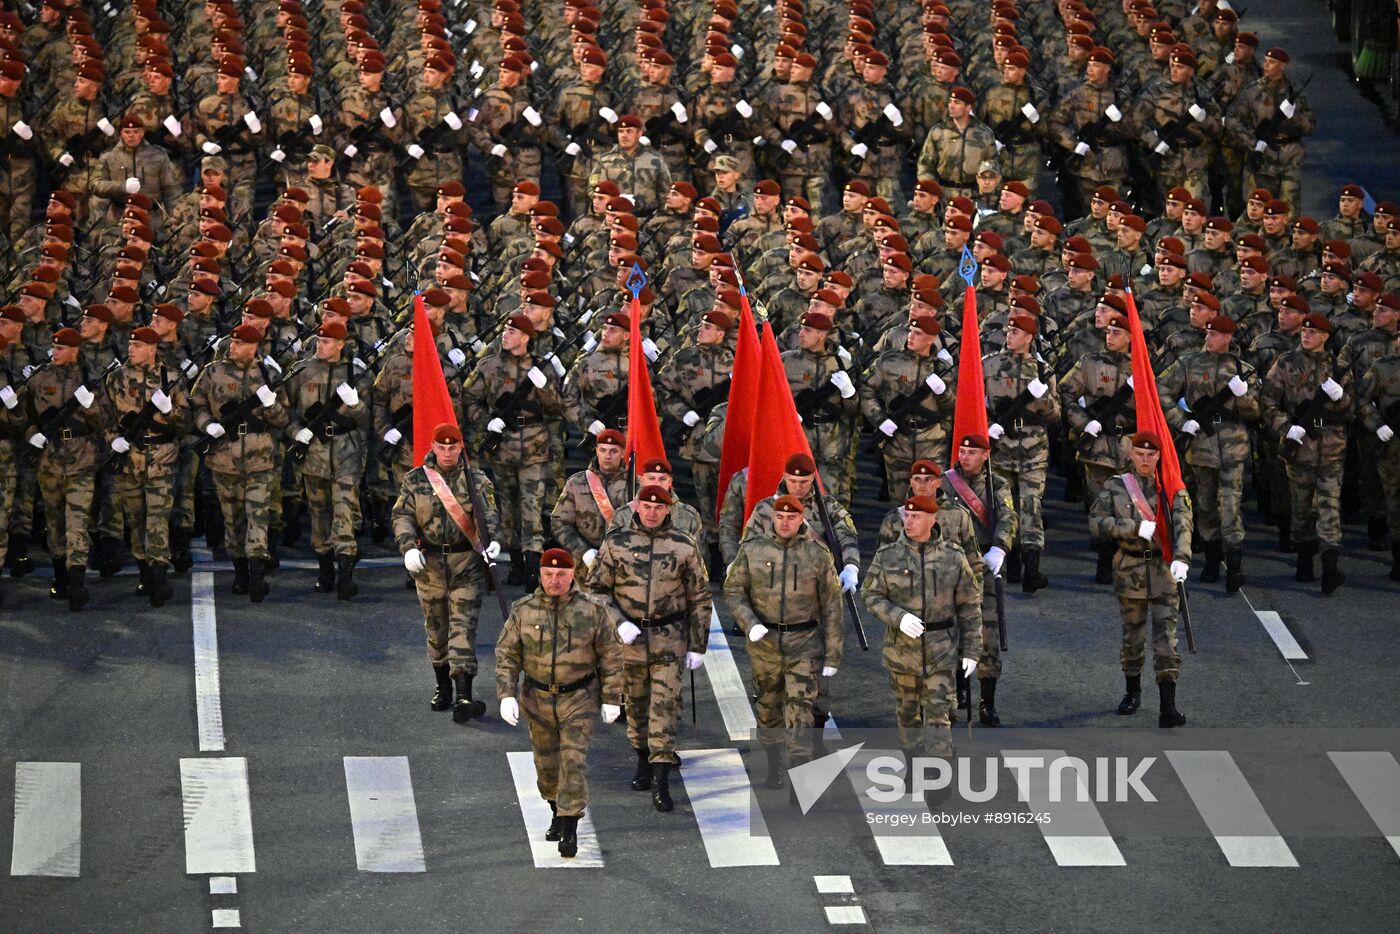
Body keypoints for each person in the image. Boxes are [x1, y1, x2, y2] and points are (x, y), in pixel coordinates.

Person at [588, 484, 710, 812]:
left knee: (664, 706)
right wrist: (618, 622)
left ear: (668, 509)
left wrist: (698, 644)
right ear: (637, 506)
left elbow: (699, 596)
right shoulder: (616, 543)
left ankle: (661, 777)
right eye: (646, 505)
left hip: (669, 637)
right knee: (637, 705)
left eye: (659, 507)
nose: (652, 511)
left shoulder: (684, 545)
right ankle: (642, 758)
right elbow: (596, 590)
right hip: (629, 641)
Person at [496, 547, 624, 859]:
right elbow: (507, 655)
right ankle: (556, 808)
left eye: (562, 575)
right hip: (537, 700)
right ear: (540, 575)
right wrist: (506, 695)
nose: (555, 581)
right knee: (546, 767)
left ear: (573, 575)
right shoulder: (523, 610)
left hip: (578, 699)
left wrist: (612, 698)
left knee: (573, 762)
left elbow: (611, 655)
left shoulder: (592, 610)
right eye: (549, 574)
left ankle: (569, 826)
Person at [862, 494, 981, 791]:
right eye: (907, 516)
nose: (909, 521)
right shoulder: (888, 555)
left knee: (938, 716)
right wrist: (897, 616)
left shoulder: (953, 556)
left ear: (932, 519)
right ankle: (913, 762)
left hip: (941, 649)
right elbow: (871, 595)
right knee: (907, 713)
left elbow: (969, 604)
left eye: (916, 517)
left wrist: (972, 650)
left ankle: (938, 777)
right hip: (902, 651)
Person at [724, 495, 842, 793]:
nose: (785, 522)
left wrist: (832, 654)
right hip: (766, 644)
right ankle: (774, 763)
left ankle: (797, 774)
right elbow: (734, 590)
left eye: (791, 517)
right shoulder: (753, 549)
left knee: (800, 709)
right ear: (772, 518)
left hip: (805, 643)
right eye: (780, 516)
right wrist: (749, 624)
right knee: (768, 708)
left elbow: (831, 606)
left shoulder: (817, 553)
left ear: (802, 517)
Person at [395, 423, 503, 722]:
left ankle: (464, 693)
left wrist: (492, 540)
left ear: (460, 448)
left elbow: (489, 514)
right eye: (441, 448)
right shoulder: (416, 480)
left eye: (452, 448)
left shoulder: (476, 480)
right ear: (432, 446)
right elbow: (402, 515)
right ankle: (443, 685)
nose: (446, 453)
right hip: (429, 564)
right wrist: (408, 548)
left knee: (463, 628)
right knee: (436, 629)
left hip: (464, 563)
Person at [1088, 431, 1194, 728]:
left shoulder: (1170, 486)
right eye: (1140, 454)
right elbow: (1096, 523)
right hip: (1130, 569)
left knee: (1166, 641)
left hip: (1163, 571)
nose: (1146, 460)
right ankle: (1132, 692)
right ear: (1131, 454)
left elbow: (1184, 524)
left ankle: (1168, 706)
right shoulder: (1116, 486)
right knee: (1132, 638)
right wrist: (1133, 527)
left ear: (1160, 455)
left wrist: (1182, 559)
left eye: (1151, 455)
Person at [190, 324, 291, 603]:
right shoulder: (213, 372)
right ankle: (240, 573)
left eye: (238, 343)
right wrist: (207, 425)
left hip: (260, 458)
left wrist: (271, 405)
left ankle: (257, 575)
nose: (232, 347)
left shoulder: (269, 375)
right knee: (233, 519)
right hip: (224, 458)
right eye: (232, 342)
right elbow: (195, 404)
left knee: (257, 516)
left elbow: (283, 420)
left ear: (253, 346)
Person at [104, 326, 188, 607]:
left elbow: (186, 421)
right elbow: (106, 418)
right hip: (130, 461)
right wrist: (113, 439)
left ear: (152, 349)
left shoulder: (171, 378)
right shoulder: (116, 379)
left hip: (161, 459)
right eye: (130, 344)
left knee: (157, 520)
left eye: (137, 345)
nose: (131, 349)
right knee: (136, 520)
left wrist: (169, 411)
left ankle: (159, 577)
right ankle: (144, 572)